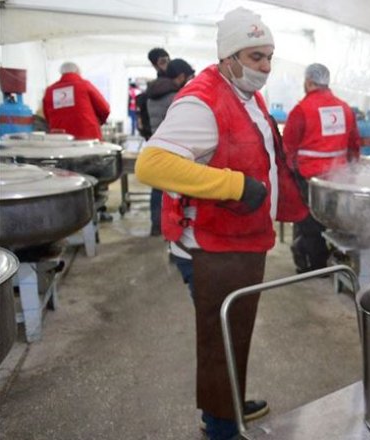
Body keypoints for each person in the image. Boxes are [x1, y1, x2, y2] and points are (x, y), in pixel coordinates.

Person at [135, 8, 307, 440]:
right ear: (229, 57)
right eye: (255, 57)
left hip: (241, 241)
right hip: (211, 247)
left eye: (269, 57)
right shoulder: (201, 101)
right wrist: (231, 185)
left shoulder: (245, 93)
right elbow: (151, 164)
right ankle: (221, 426)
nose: (265, 67)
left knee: (234, 333)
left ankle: (228, 402)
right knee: (220, 338)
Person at [282, 63, 360, 273]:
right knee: (334, 219)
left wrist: (290, 171)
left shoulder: (301, 109)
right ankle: (337, 260)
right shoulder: (344, 108)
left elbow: (288, 146)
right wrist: (352, 169)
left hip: (309, 176)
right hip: (337, 177)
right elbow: (354, 144)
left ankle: (314, 264)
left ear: (308, 82)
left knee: (308, 220)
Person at [145, 58, 196, 236]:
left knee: (158, 188)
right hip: (175, 149)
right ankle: (174, 234)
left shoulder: (152, 95)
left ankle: (156, 225)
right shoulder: (176, 97)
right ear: (181, 76)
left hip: (157, 145)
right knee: (174, 196)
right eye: (190, 77)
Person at [42, 62, 110, 140]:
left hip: (60, 139)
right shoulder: (84, 85)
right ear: (77, 72)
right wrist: (99, 122)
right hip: (87, 136)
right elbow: (104, 108)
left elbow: (47, 116)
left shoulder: (50, 91)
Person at [136, 47, 170, 140]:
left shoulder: (174, 81)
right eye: (163, 62)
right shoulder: (156, 87)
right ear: (154, 65)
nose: (167, 65)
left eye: (168, 60)